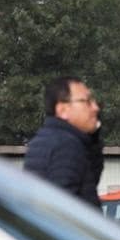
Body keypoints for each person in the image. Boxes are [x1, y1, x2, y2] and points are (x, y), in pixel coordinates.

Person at [24, 76, 104, 208]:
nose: (95, 108)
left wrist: (94, 137)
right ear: (62, 110)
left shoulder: (50, 139)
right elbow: (62, 210)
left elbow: (88, 183)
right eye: (87, 102)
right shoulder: (65, 146)